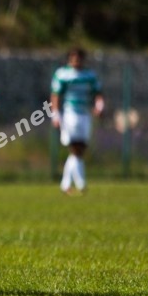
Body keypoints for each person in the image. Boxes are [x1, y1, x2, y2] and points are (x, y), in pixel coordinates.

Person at [50, 47, 104, 195]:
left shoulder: (89, 75)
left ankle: (67, 184)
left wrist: (99, 106)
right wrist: (55, 114)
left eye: (78, 58)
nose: (76, 61)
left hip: (85, 114)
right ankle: (79, 183)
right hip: (70, 114)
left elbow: (98, 93)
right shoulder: (62, 74)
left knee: (80, 149)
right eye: (73, 58)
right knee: (75, 148)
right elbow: (55, 95)